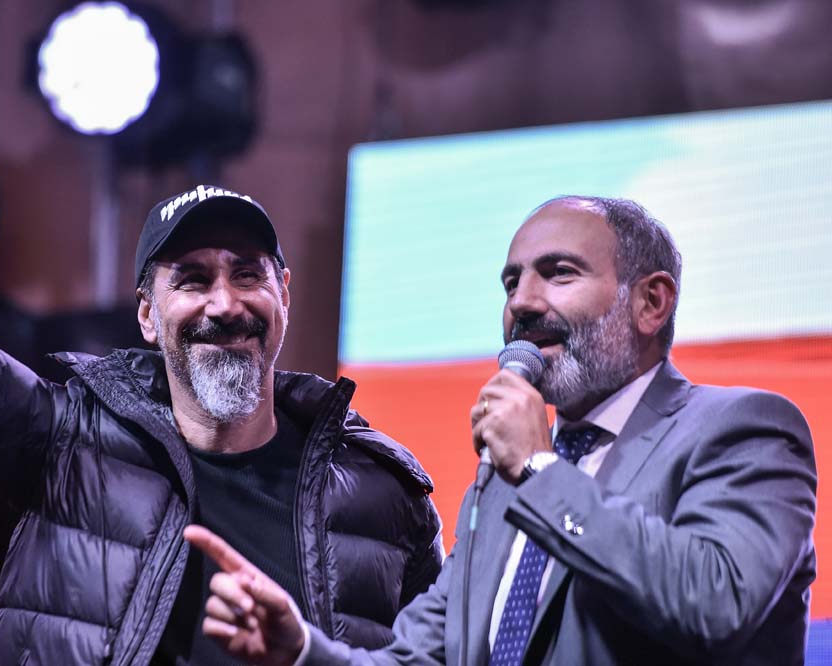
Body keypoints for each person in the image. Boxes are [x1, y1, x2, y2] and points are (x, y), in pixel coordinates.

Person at [0, 55, 443, 665]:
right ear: (148, 316)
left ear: (284, 293)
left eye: (247, 273)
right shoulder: (67, 439)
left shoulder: (384, 493)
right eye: (192, 279)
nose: (225, 303)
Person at [186, 195, 818, 665]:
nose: (521, 302)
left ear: (651, 302)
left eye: (560, 273)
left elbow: (716, 603)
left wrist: (542, 475)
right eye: (512, 282)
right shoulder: (504, 481)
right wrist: (300, 650)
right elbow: (416, 660)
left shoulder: (742, 429)